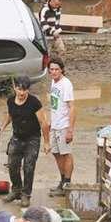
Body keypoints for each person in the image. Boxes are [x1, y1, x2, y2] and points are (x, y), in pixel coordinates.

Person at [0, 76, 51, 207]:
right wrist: (2, 127)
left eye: (25, 90)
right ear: (15, 88)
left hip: (32, 139)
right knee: (12, 165)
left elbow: (43, 123)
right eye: (19, 89)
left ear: (28, 90)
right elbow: (10, 115)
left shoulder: (34, 102)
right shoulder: (10, 101)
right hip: (17, 137)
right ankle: (16, 190)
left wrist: (46, 142)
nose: (22, 93)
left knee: (28, 167)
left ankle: (26, 194)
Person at [47, 56, 75, 196]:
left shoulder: (66, 84)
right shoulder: (53, 82)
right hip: (55, 124)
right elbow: (54, 104)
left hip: (64, 125)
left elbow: (72, 107)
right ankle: (62, 181)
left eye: (56, 69)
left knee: (66, 154)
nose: (54, 72)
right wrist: (51, 122)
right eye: (51, 69)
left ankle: (67, 183)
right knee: (56, 153)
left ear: (62, 70)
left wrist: (70, 129)